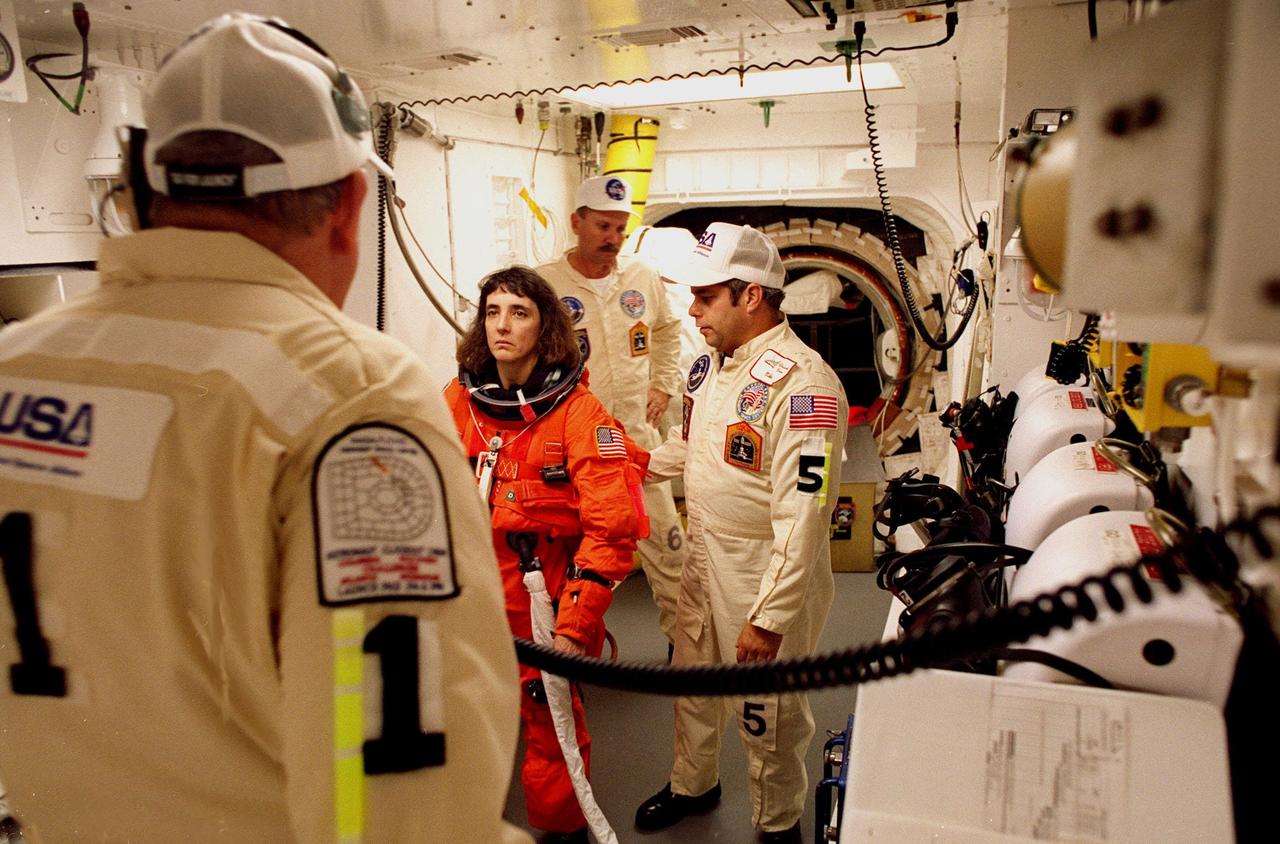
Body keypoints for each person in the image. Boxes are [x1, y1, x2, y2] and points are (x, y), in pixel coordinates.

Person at [0, 14, 526, 843]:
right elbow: (397, 797)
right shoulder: (355, 395)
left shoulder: (15, 367)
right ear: (351, 206)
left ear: (138, 187)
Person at [635, 223, 849, 843]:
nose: (693, 310)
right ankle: (692, 785)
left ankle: (776, 823)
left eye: (705, 298)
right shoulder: (710, 368)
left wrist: (769, 618)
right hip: (702, 557)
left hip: (762, 573)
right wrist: (638, 460)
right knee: (694, 683)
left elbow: (804, 518)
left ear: (751, 295)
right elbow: (694, 448)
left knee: (767, 713)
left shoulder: (806, 388)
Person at [443, 266, 645, 843]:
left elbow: (611, 532)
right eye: (492, 312)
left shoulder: (579, 414)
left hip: (539, 602)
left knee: (549, 726)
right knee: (457, 721)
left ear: (545, 327)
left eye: (519, 312)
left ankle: (561, 834)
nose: (503, 325)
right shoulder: (460, 399)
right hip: (467, 597)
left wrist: (574, 627)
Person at [536, 177, 686, 648]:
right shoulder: (545, 285)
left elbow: (665, 331)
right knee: (575, 558)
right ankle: (571, 652)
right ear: (577, 222)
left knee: (670, 552)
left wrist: (662, 384)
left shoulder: (640, 277)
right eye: (603, 226)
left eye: (620, 228)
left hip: (639, 444)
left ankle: (684, 650)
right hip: (577, 452)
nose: (613, 238)